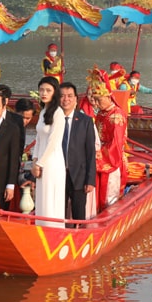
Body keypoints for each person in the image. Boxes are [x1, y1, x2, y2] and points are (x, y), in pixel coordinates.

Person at [58, 82, 98, 223]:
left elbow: (90, 153)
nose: (66, 99)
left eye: (69, 96)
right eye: (62, 96)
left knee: (78, 214)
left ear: (76, 99)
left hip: (79, 176)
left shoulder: (85, 121)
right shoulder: (52, 120)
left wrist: (90, 179)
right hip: (57, 175)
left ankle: (79, 239)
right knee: (57, 213)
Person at [88, 72, 127, 212]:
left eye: (99, 100)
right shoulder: (102, 113)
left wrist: (98, 155)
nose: (97, 104)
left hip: (111, 157)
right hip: (99, 153)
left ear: (108, 96)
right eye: (95, 100)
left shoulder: (116, 115)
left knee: (109, 195)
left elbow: (116, 143)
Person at [31, 76, 66, 228]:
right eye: (41, 90)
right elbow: (39, 139)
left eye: (48, 90)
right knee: (42, 198)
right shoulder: (43, 111)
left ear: (55, 93)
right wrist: (34, 159)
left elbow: (53, 142)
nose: (44, 93)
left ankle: (53, 230)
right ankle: (41, 228)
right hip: (41, 162)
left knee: (51, 198)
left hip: (52, 162)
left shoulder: (58, 113)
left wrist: (40, 163)